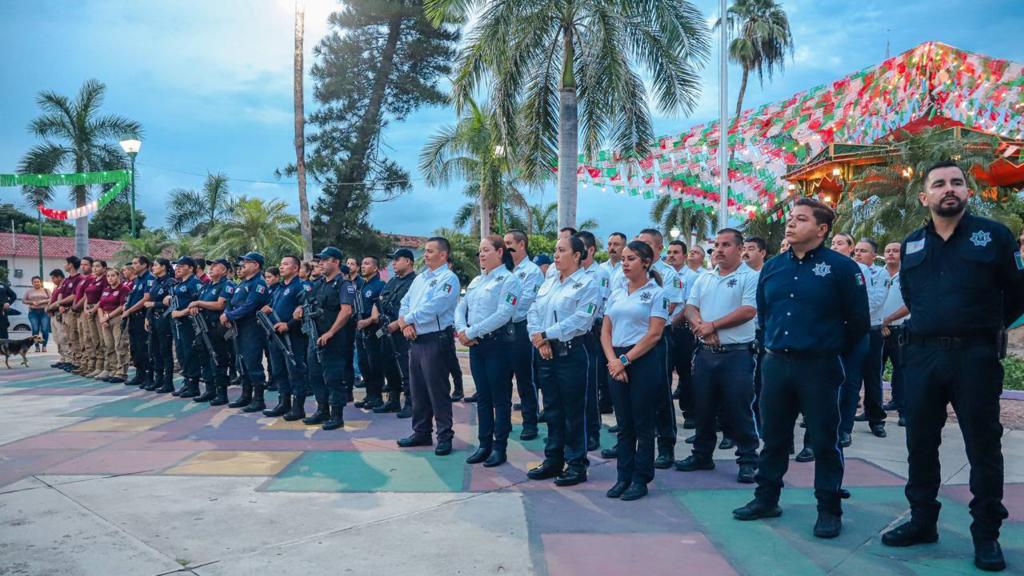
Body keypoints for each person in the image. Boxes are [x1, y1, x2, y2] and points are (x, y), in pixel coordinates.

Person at [881, 160, 1024, 572]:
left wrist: (983, 328)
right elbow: (912, 293)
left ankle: (986, 534)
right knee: (920, 441)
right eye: (940, 183)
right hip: (921, 356)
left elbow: (1017, 294)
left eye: (957, 183)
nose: (949, 189)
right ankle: (922, 520)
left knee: (983, 445)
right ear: (923, 196)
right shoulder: (912, 243)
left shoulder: (993, 236)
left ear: (967, 192)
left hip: (974, 357)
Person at [733, 197, 869, 540]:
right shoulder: (773, 267)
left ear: (822, 229)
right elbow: (765, 315)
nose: (791, 223)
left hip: (819, 367)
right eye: (791, 218)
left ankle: (828, 508)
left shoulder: (842, 268)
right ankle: (766, 498)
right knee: (774, 437)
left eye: (801, 219)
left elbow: (858, 322)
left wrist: (831, 352)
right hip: (776, 364)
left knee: (824, 441)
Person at [675, 229, 760, 483]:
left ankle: (747, 460)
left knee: (739, 407)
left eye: (726, 245)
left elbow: (748, 310)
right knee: (703, 407)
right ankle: (702, 454)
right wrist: (701, 326)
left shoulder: (750, 277)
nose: (719, 250)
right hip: (705, 353)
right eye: (716, 245)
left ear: (740, 249)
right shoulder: (706, 277)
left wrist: (713, 326)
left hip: (737, 354)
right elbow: (690, 308)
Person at [526, 235, 600, 486]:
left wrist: (547, 334)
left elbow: (581, 320)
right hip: (545, 352)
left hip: (571, 353)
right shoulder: (549, 282)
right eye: (555, 250)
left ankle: (577, 464)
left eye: (561, 250)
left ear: (577, 255)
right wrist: (540, 340)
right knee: (552, 409)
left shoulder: (587, 284)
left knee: (573, 411)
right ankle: (553, 459)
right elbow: (533, 311)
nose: (556, 255)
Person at [601, 240, 668, 501]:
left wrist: (625, 360)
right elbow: (606, 330)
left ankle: (641, 478)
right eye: (624, 259)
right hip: (616, 361)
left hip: (641, 360)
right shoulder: (617, 292)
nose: (625, 263)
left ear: (646, 262)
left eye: (631, 259)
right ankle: (623, 476)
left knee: (643, 423)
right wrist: (613, 361)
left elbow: (654, 334)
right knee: (624, 423)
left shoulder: (656, 293)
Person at [456, 235, 522, 468]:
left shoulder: (509, 280)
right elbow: (461, 307)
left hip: (498, 345)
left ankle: (499, 447)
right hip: (476, 346)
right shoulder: (476, 281)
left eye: (486, 250)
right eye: (480, 251)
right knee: (483, 397)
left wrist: (472, 332)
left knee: (500, 399)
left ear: (500, 252)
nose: (481, 254)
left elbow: (504, 314)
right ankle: (484, 444)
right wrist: (462, 330)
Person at [396, 237, 461, 455]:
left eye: (430, 251)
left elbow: (435, 307)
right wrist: (405, 324)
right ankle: (421, 432)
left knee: (438, 391)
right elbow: (405, 302)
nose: (425, 255)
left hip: (436, 340)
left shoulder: (448, 278)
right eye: (425, 251)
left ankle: (444, 436)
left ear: (443, 255)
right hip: (416, 340)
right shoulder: (420, 278)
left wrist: (407, 320)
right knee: (418, 390)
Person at [831, 233, 885, 447]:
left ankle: (845, 428)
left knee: (851, 381)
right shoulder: (824, 267)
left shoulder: (861, 270)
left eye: (840, 243)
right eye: (833, 243)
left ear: (850, 248)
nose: (835, 247)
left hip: (856, 333)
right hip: (830, 333)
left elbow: (868, 302)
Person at [637, 228, 684, 469]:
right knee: (633, 394)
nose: (640, 247)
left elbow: (672, 305)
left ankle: (666, 445)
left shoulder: (668, 274)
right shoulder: (628, 271)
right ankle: (634, 442)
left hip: (656, 336)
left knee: (660, 393)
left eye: (646, 244)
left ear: (658, 248)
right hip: (631, 337)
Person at [296, 247, 355, 430]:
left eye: (325, 260)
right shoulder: (319, 284)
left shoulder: (344, 285)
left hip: (334, 339)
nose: (320, 263)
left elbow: (346, 311)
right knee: (315, 375)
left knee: (333, 377)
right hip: (315, 337)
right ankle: (322, 410)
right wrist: (300, 309)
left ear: (336, 262)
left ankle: (337, 415)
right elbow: (307, 301)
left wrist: (331, 332)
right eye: (319, 260)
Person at [504, 230, 543, 441]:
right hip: (501, 329)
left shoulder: (532, 271)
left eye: (509, 243)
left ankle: (530, 423)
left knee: (525, 379)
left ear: (521, 245)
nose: (506, 248)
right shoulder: (504, 270)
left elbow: (526, 301)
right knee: (502, 378)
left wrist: (502, 313)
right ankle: (504, 422)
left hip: (521, 328)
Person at [261, 255, 309, 418]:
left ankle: (298, 407)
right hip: (275, 335)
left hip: (292, 336)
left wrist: (288, 324)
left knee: (295, 371)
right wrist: (268, 309)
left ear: (295, 268)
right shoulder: (279, 288)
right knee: (278, 371)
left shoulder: (300, 286)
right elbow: (274, 306)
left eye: (286, 264)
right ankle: (283, 403)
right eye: (281, 264)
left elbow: (304, 310)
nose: (281, 267)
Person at [222, 252, 271, 411]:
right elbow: (231, 303)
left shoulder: (258, 284)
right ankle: (245, 395)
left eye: (246, 262)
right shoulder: (242, 284)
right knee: (241, 361)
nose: (242, 265)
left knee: (252, 362)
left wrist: (229, 315)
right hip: (239, 328)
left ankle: (259, 399)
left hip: (252, 328)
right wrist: (228, 313)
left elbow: (250, 306)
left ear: (256, 265)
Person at [576, 230, 611, 452]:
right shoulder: (568, 272)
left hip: (592, 330)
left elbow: (598, 305)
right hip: (570, 334)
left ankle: (592, 432)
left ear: (589, 250)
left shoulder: (600, 274)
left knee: (591, 384)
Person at [375, 248, 417, 416]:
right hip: (386, 330)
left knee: (407, 368)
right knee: (389, 365)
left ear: (408, 261)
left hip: (404, 331)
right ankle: (393, 400)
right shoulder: (392, 281)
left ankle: (411, 403)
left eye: (397, 259)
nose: (393, 263)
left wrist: (398, 324)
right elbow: (380, 301)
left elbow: (413, 307)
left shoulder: (415, 282)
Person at [188, 258, 235, 405]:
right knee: (205, 359)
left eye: (215, 266)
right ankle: (210, 390)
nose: (211, 268)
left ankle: (221, 393)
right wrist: (195, 306)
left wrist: (199, 303)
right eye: (211, 266)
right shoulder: (206, 285)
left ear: (224, 270)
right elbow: (196, 300)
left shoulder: (227, 285)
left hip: (217, 329)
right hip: (203, 327)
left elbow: (220, 305)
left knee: (218, 359)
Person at [879, 242, 909, 424]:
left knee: (902, 371)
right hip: (878, 330)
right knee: (875, 371)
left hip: (900, 329)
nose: (891, 254)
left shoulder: (909, 275)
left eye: (895, 251)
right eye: (887, 251)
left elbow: (911, 303)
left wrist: (888, 320)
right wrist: (880, 322)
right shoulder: (877, 274)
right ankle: (874, 411)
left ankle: (903, 411)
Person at [666, 239, 695, 425]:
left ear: (684, 256)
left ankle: (690, 413)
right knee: (664, 373)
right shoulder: (663, 274)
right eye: (669, 252)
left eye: (676, 252)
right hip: (664, 329)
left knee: (685, 373)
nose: (671, 256)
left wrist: (673, 322)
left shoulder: (691, 277)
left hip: (682, 330)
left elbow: (689, 305)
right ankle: (664, 416)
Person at [353, 256, 387, 410]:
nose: (363, 266)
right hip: (360, 330)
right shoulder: (361, 285)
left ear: (375, 268)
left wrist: (369, 321)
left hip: (373, 330)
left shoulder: (380, 285)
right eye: (362, 264)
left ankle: (377, 397)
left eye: (367, 264)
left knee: (374, 364)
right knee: (363, 363)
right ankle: (369, 394)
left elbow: (379, 308)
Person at [168, 257, 203, 398]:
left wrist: (181, 313)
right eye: (178, 266)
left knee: (190, 353)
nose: (178, 268)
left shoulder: (194, 282)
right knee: (181, 353)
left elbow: (198, 303)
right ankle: (186, 382)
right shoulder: (179, 283)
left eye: (182, 266)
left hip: (189, 322)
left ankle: (193, 386)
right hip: (179, 324)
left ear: (190, 268)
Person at [143, 258, 176, 393]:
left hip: (165, 318)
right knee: (154, 350)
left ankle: (168, 382)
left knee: (165, 350)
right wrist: (147, 317)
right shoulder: (155, 282)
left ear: (163, 267)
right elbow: (151, 300)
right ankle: (158, 379)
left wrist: (154, 304)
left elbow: (173, 302)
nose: (153, 268)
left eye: (156, 265)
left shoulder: (171, 282)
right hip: (154, 318)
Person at [122, 257, 154, 387]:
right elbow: (133, 296)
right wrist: (127, 307)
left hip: (142, 317)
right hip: (133, 317)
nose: (133, 266)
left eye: (135, 263)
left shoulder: (149, 278)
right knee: (135, 347)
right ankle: (139, 374)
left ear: (144, 265)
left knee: (143, 347)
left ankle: (147, 375)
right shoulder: (137, 280)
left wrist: (129, 310)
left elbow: (146, 298)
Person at [97, 268, 130, 383]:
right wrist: (102, 318)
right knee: (109, 345)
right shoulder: (106, 289)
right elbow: (100, 305)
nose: (110, 278)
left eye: (113, 276)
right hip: (105, 319)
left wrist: (108, 316)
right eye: (108, 276)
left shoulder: (124, 289)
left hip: (117, 318)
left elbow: (122, 306)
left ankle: (122, 373)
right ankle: (113, 369)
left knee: (119, 345)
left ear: (118, 276)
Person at [24, 276, 51, 352]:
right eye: (34, 282)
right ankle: (37, 346)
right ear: (32, 283)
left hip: (44, 312)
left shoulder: (46, 290)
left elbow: (51, 298)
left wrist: (42, 301)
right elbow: (23, 300)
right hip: (33, 312)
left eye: (38, 282)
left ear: (40, 282)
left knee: (45, 329)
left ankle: (44, 346)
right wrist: (32, 302)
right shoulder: (29, 291)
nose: (36, 283)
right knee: (35, 329)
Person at [47, 270, 66, 367]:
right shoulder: (55, 288)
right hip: (53, 314)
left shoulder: (64, 286)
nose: (52, 280)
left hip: (60, 314)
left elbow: (59, 301)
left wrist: (49, 307)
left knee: (63, 337)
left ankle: (68, 359)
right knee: (56, 338)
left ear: (59, 277)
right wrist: (48, 308)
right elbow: (51, 300)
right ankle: (62, 358)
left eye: (53, 278)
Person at [0, 275, 17, 340]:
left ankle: (5, 344)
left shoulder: (3, 286)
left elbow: (14, 295)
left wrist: (8, 303)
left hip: (2, 309)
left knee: (3, 327)